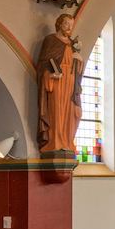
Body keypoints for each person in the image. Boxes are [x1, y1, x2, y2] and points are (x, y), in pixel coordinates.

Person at [36, 13, 83, 154]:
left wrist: (79, 60)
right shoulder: (51, 40)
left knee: (73, 113)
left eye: (71, 25)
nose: (69, 27)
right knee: (57, 111)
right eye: (66, 24)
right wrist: (50, 75)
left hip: (71, 83)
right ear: (59, 24)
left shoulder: (73, 44)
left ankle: (67, 142)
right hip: (57, 82)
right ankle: (55, 142)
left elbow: (78, 69)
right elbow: (43, 64)